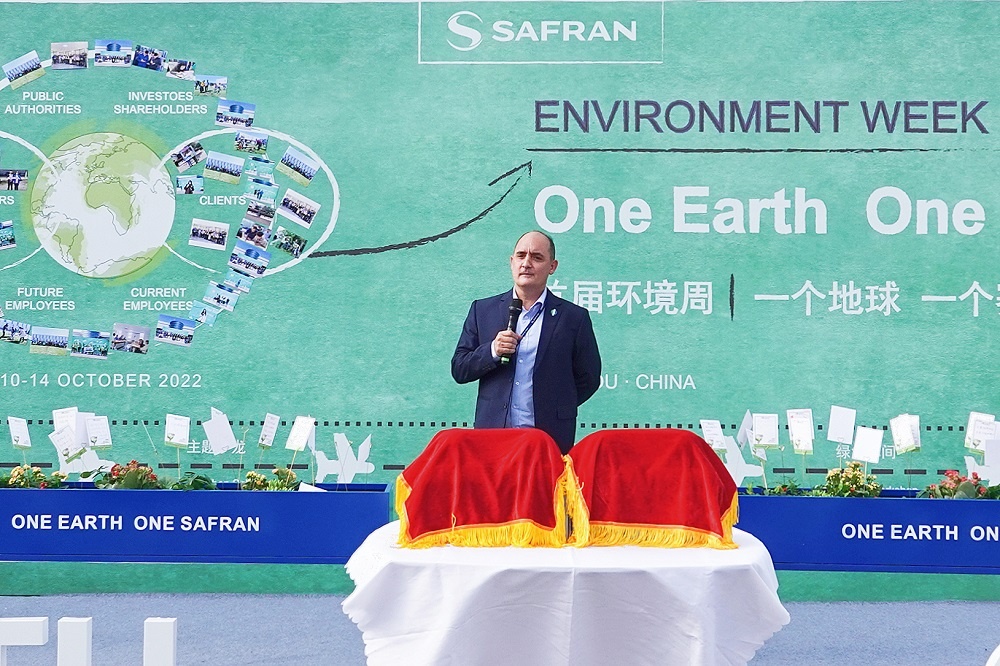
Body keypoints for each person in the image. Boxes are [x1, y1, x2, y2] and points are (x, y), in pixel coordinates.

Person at [451, 231, 601, 454]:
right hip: (493, 437)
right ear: (512, 262)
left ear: (552, 266)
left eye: (537, 257)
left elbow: (588, 378)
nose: (527, 263)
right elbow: (460, 368)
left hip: (548, 439)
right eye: (521, 256)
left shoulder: (573, 318)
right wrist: (492, 351)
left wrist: (556, 406)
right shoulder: (483, 310)